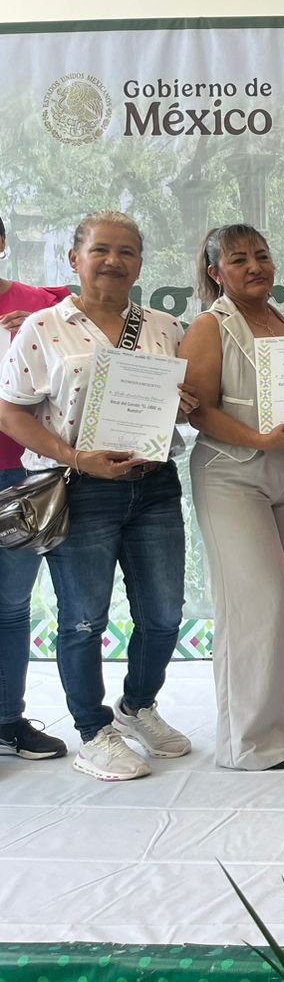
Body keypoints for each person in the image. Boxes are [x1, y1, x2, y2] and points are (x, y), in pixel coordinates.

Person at [0, 211, 197, 781]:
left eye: (127, 251)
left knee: (164, 614)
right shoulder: (43, 327)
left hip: (153, 485)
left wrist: (185, 403)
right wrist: (75, 457)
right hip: (81, 488)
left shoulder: (164, 327)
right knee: (84, 618)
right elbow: (11, 412)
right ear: (74, 259)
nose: (114, 261)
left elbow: (183, 405)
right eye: (101, 250)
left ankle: (138, 706)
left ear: (140, 263)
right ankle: (92, 730)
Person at [180, 225, 284, 770]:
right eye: (238, 259)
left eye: (262, 255)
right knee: (256, 603)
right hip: (232, 477)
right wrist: (261, 441)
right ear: (215, 272)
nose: (255, 266)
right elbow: (198, 410)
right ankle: (252, 742)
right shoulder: (208, 325)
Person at [0, 216, 71, 763]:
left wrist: (41, 333)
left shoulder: (46, 306)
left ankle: (7, 721)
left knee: (9, 603)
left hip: (19, 475)